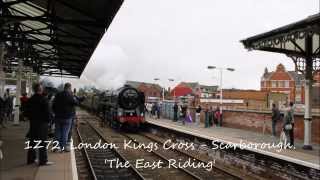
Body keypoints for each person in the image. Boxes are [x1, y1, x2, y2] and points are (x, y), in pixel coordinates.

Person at [25, 83, 53, 166]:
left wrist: (31, 118)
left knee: (32, 142)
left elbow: (26, 113)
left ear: (34, 90)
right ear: (41, 89)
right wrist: (49, 121)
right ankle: (43, 161)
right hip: (42, 124)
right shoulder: (44, 99)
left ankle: (31, 160)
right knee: (42, 143)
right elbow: (48, 113)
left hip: (33, 123)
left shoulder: (30, 99)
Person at [52, 83, 78, 152]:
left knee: (57, 132)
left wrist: (55, 112)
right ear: (69, 88)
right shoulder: (70, 95)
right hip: (67, 117)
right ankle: (63, 147)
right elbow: (76, 103)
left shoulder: (58, 94)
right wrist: (74, 96)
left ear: (64, 87)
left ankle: (55, 147)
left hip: (58, 116)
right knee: (65, 133)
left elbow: (53, 105)